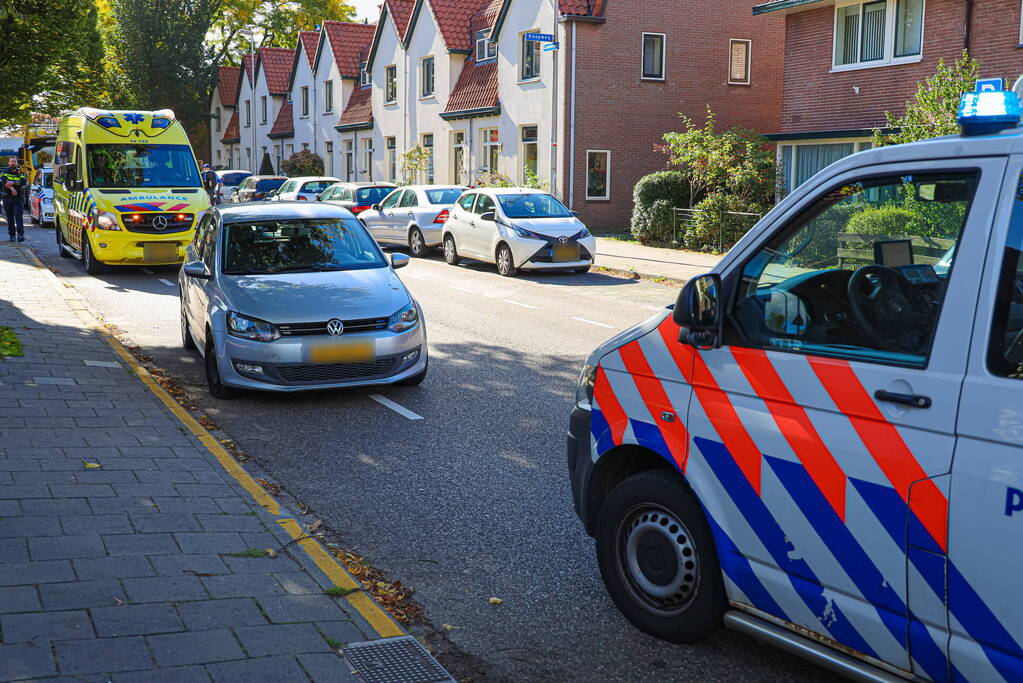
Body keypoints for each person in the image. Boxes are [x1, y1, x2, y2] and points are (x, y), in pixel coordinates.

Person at [2, 157, 27, 242]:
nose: (13, 163)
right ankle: (12, 236)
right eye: (11, 161)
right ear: (9, 163)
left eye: (14, 161)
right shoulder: (4, 172)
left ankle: (20, 235)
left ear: (17, 163)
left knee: (18, 216)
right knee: (10, 218)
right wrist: (13, 189)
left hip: (18, 198)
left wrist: (12, 183)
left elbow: (23, 181)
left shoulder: (21, 172)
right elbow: (5, 182)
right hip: (7, 198)